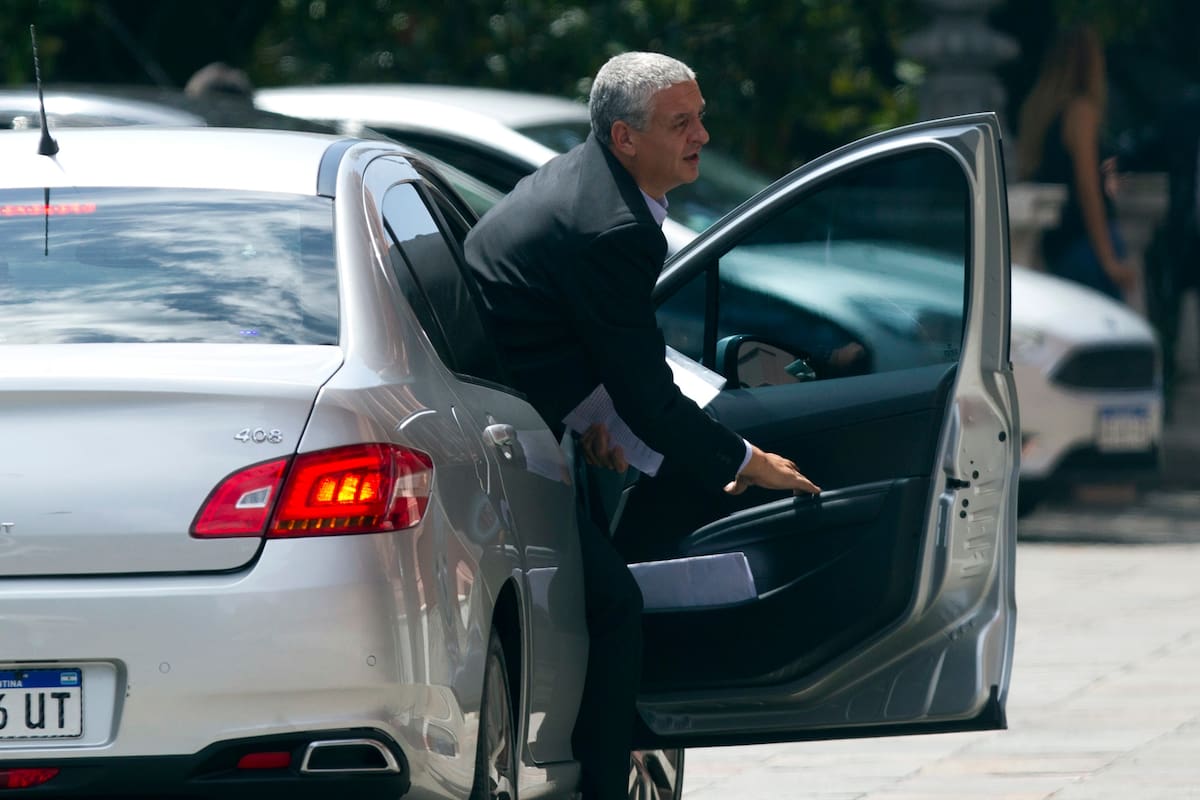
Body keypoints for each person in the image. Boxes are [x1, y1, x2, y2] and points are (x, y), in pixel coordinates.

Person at [463, 51, 820, 800]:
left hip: (534, 412)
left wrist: (595, 421)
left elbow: (565, 332)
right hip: (496, 439)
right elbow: (648, 396)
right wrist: (747, 461)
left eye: (700, 116)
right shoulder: (613, 227)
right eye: (681, 123)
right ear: (626, 138)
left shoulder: (590, 182)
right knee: (617, 607)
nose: (703, 136)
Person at [1016, 24, 1137, 301]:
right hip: (1085, 244)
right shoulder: (1081, 111)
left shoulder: (1038, 112)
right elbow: (1087, 185)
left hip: (1059, 244)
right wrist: (1108, 260)